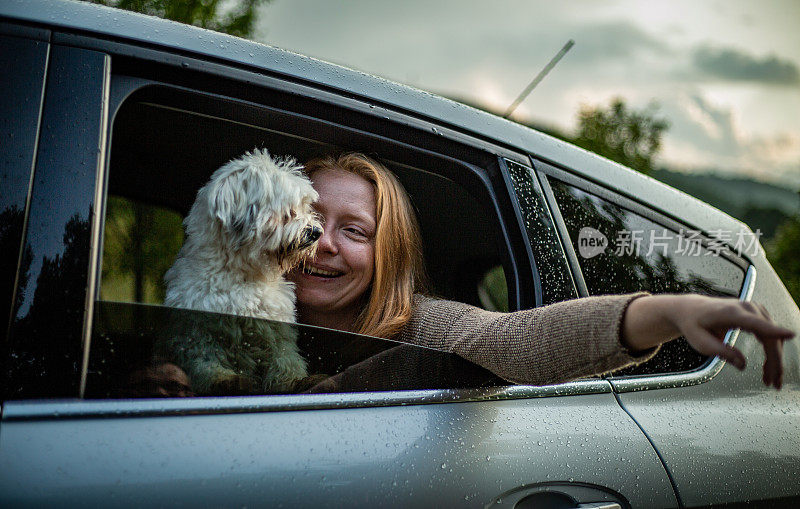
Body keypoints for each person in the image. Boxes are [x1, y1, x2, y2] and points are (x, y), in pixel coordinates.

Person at [287, 152, 795, 389]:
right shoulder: (225, 309)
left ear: (389, 254)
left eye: (355, 231)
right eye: (307, 219)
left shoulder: (419, 325)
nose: (322, 242)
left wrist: (667, 310)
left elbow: (514, 340)